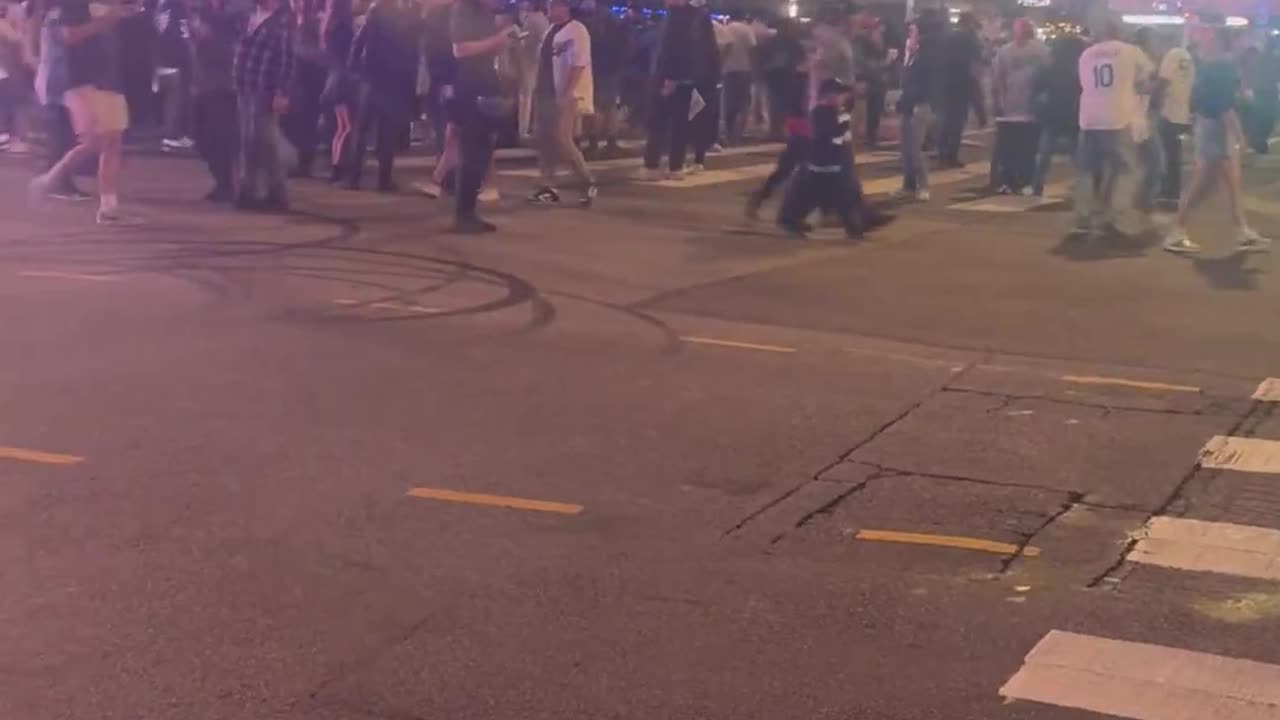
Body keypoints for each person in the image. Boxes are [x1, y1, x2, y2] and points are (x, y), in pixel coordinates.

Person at [1162, 23, 1270, 254]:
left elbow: (1211, 99)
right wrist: (1240, 135)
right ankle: (1177, 230)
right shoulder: (1224, 67)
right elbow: (1224, 106)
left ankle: (1242, 231)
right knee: (1204, 183)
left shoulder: (1212, 66)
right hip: (1216, 128)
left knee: (1229, 181)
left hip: (1209, 125)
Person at [29, 0, 137, 224]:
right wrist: (105, 21)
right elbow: (68, 36)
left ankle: (108, 207)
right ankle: (48, 181)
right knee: (94, 141)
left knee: (112, 143)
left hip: (110, 80)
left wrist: (123, 14)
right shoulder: (73, 5)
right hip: (83, 81)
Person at [1070, 14, 1148, 238]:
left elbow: (1082, 82)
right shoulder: (1130, 51)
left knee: (1087, 170)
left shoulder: (1086, 54)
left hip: (1089, 117)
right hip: (1117, 116)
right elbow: (1145, 79)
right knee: (1126, 169)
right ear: (1118, 31)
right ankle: (1117, 217)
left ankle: (1083, 218)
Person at [450, 0, 512, 232]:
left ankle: (468, 212)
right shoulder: (463, 10)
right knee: (472, 153)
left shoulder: (485, 13)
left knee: (482, 152)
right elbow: (460, 49)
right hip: (470, 89)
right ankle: (463, 215)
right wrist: (496, 41)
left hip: (484, 88)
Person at [526, 0, 595, 207]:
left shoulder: (577, 30)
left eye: (553, 5)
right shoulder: (551, 30)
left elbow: (579, 63)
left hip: (565, 94)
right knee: (545, 140)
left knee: (562, 138)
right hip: (545, 92)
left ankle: (587, 181)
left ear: (564, 7)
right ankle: (548, 186)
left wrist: (568, 92)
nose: (549, 9)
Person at [346, 0, 418, 191]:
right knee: (387, 133)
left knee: (361, 131)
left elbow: (358, 44)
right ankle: (384, 180)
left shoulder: (373, 15)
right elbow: (411, 52)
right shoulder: (405, 18)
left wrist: (355, 70)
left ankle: (353, 178)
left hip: (371, 80)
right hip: (393, 82)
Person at [778, 77, 859, 239]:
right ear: (828, 95)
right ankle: (789, 221)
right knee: (812, 195)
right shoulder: (820, 112)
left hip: (829, 164)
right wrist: (842, 126)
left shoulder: (833, 112)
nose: (842, 98)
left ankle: (853, 226)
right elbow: (828, 135)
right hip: (820, 165)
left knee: (839, 195)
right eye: (838, 94)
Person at [232, 0, 294, 211]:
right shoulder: (249, 18)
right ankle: (248, 191)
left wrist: (281, 93)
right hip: (246, 88)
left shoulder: (279, 24)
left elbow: (286, 61)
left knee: (266, 144)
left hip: (264, 91)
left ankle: (277, 193)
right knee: (248, 142)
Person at [640, 0, 707, 179]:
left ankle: (653, 165)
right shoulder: (692, 16)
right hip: (682, 77)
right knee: (679, 124)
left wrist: (668, 77)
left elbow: (671, 48)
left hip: (670, 77)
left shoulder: (677, 17)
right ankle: (674, 166)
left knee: (660, 122)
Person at [31, 0, 90, 198]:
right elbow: (69, 38)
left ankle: (58, 181)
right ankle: (58, 184)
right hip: (54, 84)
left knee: (63, 135)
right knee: (60, 136)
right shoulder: (57, 16)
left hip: (57, 82)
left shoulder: (54, 14)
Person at [990, 17, 1048, 194]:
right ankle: (1013, 181)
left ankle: (1021, 180)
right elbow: (998, 79)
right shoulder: (1006, 51)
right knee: (1016, 148)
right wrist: (999, 101)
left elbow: (1048, 77)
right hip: (1013, 109)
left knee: (1024, 148)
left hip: (1030, 109)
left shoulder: (1041, 50)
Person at [188, 0, 238, 201]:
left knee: (218, 139)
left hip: (221, 88)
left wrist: (203, 33)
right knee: (202, 139)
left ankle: (226, 184)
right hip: (201, 86)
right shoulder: (200, 14)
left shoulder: (228, 18)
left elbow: (226, 51)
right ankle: (222, 181)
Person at [1029, 34, 1083, 197]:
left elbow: (1036, 92)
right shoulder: (1077, 70)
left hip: (1053, 114)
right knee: (1076, 154)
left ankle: (1036, 185)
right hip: (1072, 115)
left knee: (1045, 154)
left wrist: (1037, 111)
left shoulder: (1049, 68)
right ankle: (1083, 185)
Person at [892, 15, 940, 202]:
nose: (910, 35)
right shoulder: (913, 54)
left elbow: (923, 84)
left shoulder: (927, 55)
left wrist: (912, 100)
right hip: (908, 105)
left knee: (914, 149)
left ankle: (923, 185)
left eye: (913, 31)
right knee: (906, 150)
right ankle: (908, 185)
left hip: (919, 105)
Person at [936, 12, 984, 168]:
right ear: (969, 23)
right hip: (963, 85)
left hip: (946, 84)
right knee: (957, 123)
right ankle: (950, 155)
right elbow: (974, 66)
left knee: (946, 121)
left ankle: (942, 152)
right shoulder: (970, 40)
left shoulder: (947, 37)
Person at [577, 0, 623, 158]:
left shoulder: (596, 20)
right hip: (612, 69)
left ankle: (594, 142)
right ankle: (611, 141)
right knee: (610, 107)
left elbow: (593, 44)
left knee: (596, 106)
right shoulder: (613, 19)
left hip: (598, 68)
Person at [1155, 32, 1193, 208]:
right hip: (1182, 112)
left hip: (1168, 112)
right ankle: (1172, 193)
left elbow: (1163, 82)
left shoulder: (1171, 55)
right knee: (1173, 154)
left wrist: (1153, 100)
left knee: (1166, 154)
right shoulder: (1187, 57)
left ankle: (1168, 193)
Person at [320, 0, 354, 183]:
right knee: (347, 127)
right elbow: (349, 55)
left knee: (341, 127)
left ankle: (336, 166)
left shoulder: (329, 25)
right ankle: (338, 167)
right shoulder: (343, 28)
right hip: (343, 80)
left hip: (333, 79)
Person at [150, 0, 192, 150]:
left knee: (169, 99)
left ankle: (168, 132)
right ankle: (171, 135)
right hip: (174, 60)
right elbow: (182, 34)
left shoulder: (159, 6)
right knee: (175, 99)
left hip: (160, 59)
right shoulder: (176, 6)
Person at [757, 17, 803, 141]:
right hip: (774, 75)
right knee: (775, 103)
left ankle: (780, 130)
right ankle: (775, 130)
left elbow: (800, 58)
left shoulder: (792, 43)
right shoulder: (773, 42)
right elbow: (762, 57)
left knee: (781, 104)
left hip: (786, 75)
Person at [718, 9, 753, 145]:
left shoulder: (725, 29)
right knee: (744, 102)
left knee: (728, 102)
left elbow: (722, 49)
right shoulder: (746, 30)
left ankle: (728, 131)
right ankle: (740, 133)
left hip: (728, 70)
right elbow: (753, 49)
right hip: (745, 70)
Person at [514, 0, 546, 140]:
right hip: (536, 64)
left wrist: (515, 36)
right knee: (532, 98)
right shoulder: (543, 19)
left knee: (526, 98)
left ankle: (523, 131)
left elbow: (524, 41)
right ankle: (532, 129)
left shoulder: (533, 20)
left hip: (529, 64)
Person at [855, 17, 888, 147]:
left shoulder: (880, 41)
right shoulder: (862, 42)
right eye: (878, 29)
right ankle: (868, 136)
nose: (881, 32)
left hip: (878, 81)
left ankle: (872, 136)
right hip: (868, 81)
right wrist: (884, 63)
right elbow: (863, 63)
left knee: (875, 110)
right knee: (868, 110)